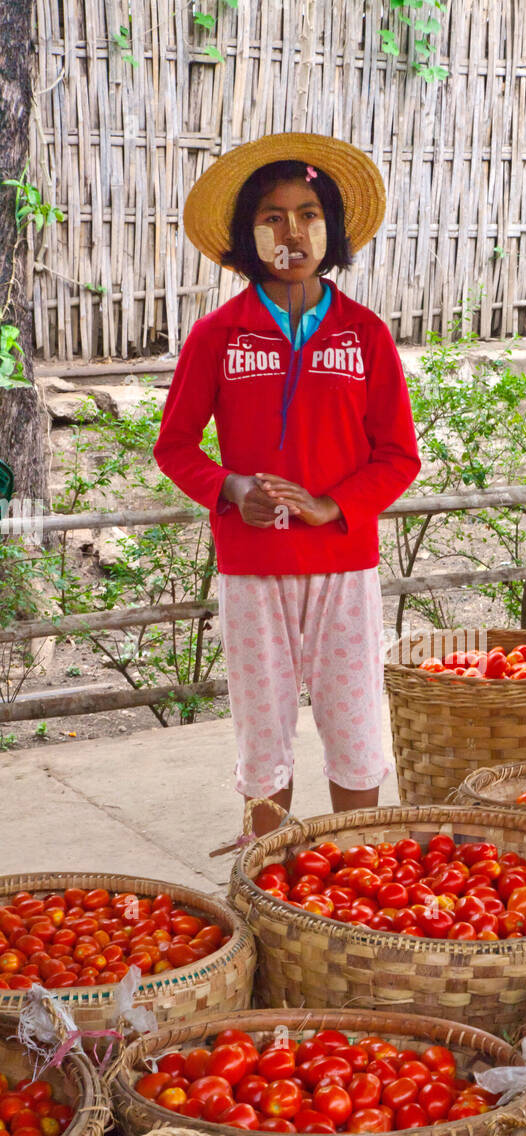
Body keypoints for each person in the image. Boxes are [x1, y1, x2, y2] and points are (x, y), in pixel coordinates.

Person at [153, 133, 420, 840]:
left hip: (343, 561)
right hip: (253, 565)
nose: (291, 231)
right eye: (272, 217)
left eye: (308, 213)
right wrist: (232, 487)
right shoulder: (217, 336)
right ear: (248, 235)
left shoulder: (365, 336)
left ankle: (357, 857)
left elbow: (399, 456)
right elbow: (175, 446)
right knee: (262, 717)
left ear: (331, 231)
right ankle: (268, 856)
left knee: (352, 711)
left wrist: (336, 505)